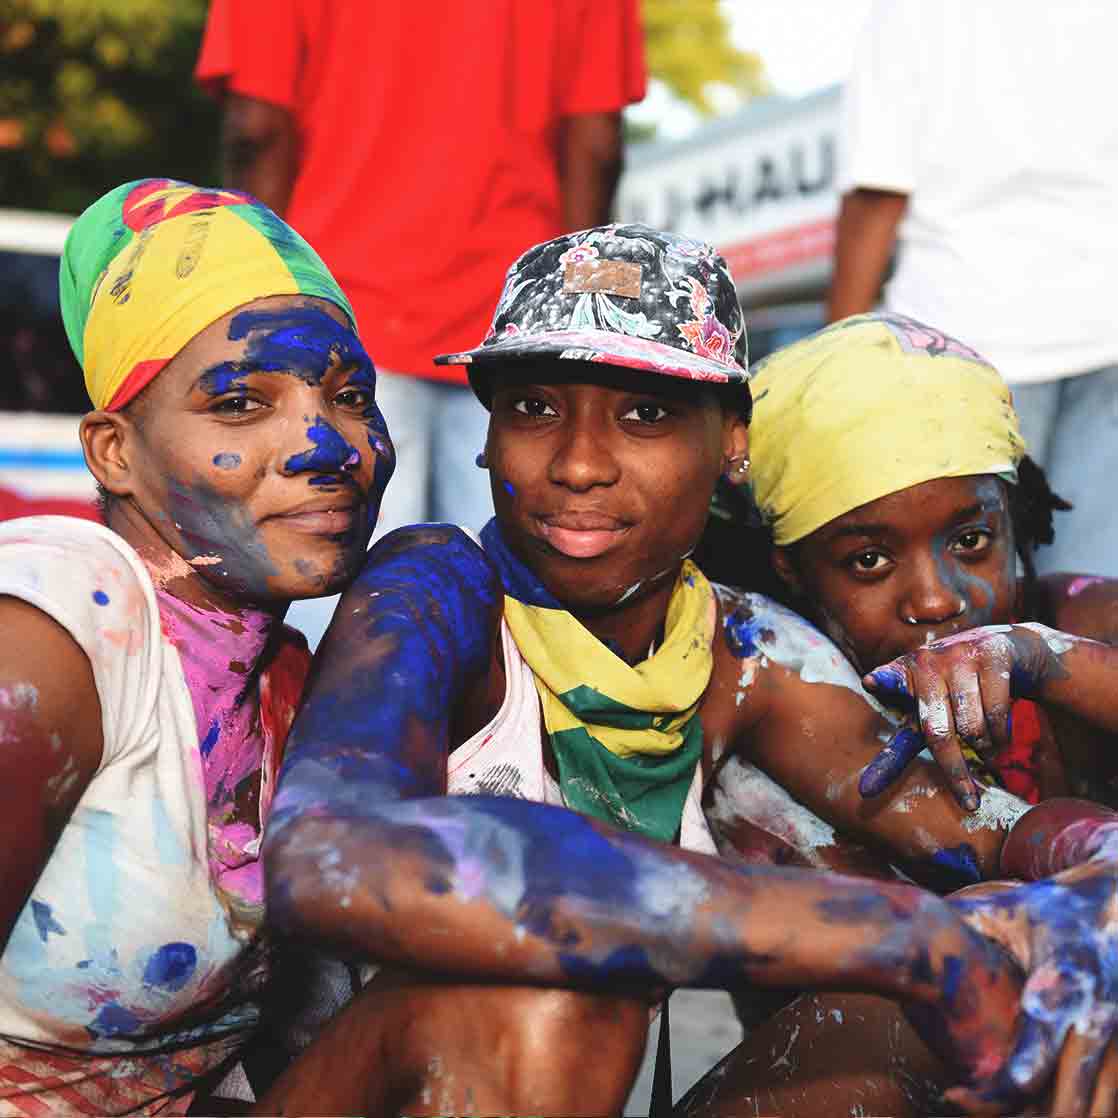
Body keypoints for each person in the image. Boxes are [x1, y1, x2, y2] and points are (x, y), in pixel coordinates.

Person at [257, 226, 1118, 1117]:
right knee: (550, 976)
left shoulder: (743, 652)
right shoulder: (435, 589)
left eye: (646, 415)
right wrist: (901, 939)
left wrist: (1100, 883)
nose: (580, 464)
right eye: (536, 408)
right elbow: (325, 857)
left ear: (732, 444)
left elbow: (997, 838)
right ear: (488, 435)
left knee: (1036, 959)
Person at [0, 177, 394, 1113]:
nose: (324, 446)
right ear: (114, 453)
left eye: (349, 396)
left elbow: (309, 1035)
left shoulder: (291, 681)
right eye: (240, 404)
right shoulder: (56, 634)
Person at [683, 311, 1118, 1115]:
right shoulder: (772, 698)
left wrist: (1050, 663)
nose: (936, 597)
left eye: (973, 541)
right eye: (869, 560)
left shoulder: (1082, 628)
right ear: (791, 571)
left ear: (1016, 521)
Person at [194, 0, 646, 647]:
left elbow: (257, 127)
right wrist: (567, 329)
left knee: (329, 609)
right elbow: (595, 144)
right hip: (512, 338)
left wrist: (256, 305)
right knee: (513, 623)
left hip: (330, 330)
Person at [828, 0, 1118, 575]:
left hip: (962, 340)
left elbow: (878, 192)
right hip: (1105, 323)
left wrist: (835, 359)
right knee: (1096, 596)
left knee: (970, 609)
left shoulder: (912, 16)